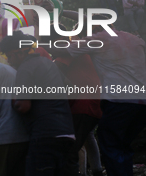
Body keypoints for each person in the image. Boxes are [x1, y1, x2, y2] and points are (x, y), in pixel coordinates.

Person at [47, 14, 146, 176]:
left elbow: (59, 49)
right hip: (142, 103)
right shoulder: (135, 39)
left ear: (94, 29)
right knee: (122, 146)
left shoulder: (98, 38)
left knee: (111, 144)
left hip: (119, 102)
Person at [0, 30, 75, 175]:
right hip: (67, 133)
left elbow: (24, 106)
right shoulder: (48, 63)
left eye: (9, 56)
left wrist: (13, 101)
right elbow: (71, 89)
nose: (9, 61)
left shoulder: (25, 69)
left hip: (44, 135)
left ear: (20, 52)